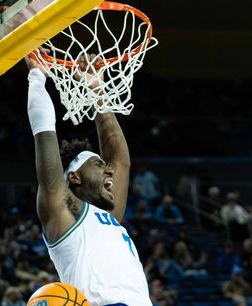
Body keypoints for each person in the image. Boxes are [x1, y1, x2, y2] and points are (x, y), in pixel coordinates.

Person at [24, 53, 151, 305]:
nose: (109, 170)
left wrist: (96, 90)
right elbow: (44, 133)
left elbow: (121, 161)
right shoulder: (63, 213)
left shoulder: (109, 216)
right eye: (98, 164)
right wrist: (37, 77)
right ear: (75, 177)